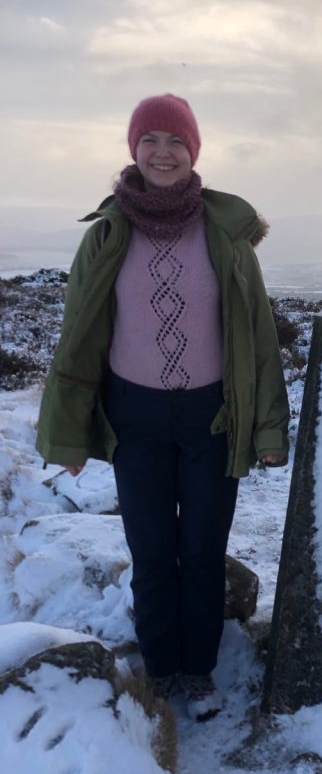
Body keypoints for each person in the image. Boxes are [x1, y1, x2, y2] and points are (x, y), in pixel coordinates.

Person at [36, 94, 289, 721]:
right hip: (135, 418)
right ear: (133, 150)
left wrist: (267, 427)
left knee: (202, 552)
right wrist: (70, 435)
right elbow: (79, 336)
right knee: (152, 553)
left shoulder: (226, 236)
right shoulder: (106, 235)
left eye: (175, 141)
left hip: (212, 418)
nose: (163, 152)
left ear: (193, 151)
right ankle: (160, 664)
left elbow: (257, 337)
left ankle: (198, 669)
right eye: (150, 140)